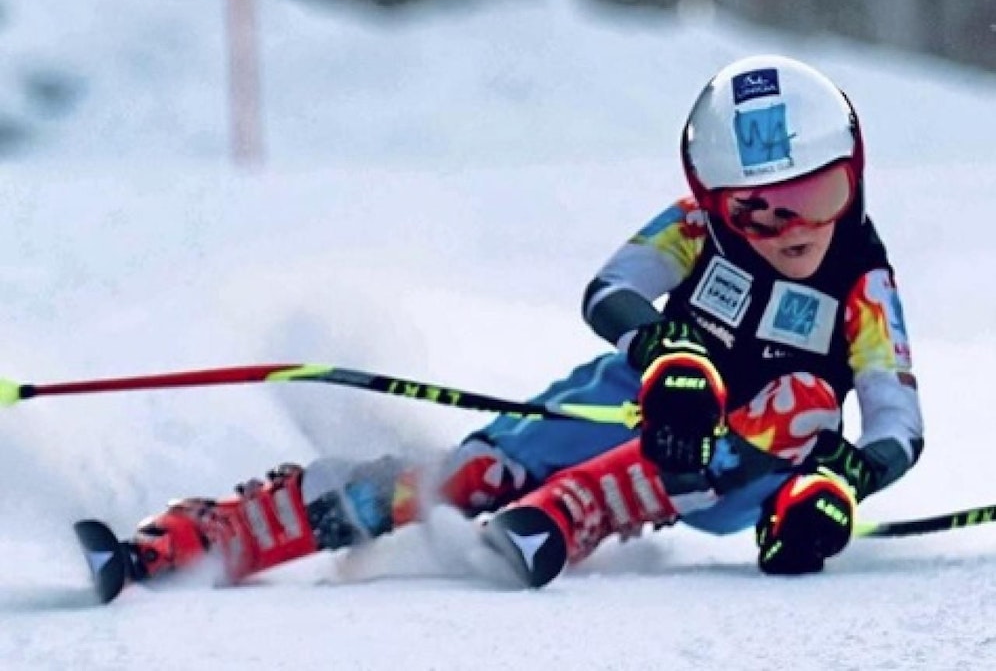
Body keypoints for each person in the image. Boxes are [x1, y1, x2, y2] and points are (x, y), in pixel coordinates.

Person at [126, 54, 923, 589]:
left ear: (854, 174)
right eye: (753, 208)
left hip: (743, 468)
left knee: (802, 402)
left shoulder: (862, 287)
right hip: (636, 401)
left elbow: (898, 424)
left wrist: (848, 475)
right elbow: (611, 288)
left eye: (817, 195)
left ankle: (577, 512)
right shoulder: (691, 229)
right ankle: (222, 535)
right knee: (469, 476)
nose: (790, 228)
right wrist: (660, 349)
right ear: (714, 201)